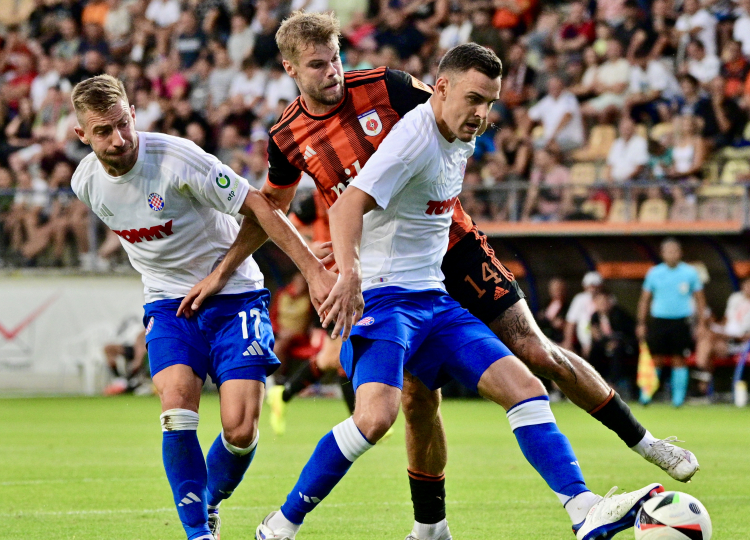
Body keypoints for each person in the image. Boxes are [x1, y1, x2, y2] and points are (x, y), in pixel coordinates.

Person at [178, 12, 699, 540]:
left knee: (535, 359)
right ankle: (420, 527)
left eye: (336, 57)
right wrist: (297, 267)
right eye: (318, 64)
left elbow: (449, 105)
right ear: (290, 68)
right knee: (406, 402)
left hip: (443, 251)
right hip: (382, 277)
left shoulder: (396, 91)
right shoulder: (298, 135)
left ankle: (620, 465)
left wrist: (348, 252)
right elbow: (279, 206)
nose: (332, 71)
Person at [68, 74, 336, 540]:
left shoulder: (178, 160)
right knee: (176, 407)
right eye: (103, 132)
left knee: (240, 430)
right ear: (81, 136)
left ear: (133, 115)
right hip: (170, 305)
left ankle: (208, 501)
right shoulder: (85, 183)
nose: (119, 139)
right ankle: (198, 534)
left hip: (235, 296)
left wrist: (312, 270)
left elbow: (261, 206)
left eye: (123, 124)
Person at [636, 238, 707, 407]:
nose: (672, 254)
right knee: (655, 359)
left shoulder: (690, 272)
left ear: (680, 253)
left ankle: (678, 399)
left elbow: (700, 299)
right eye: (668, 251)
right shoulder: (654, 273)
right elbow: (645, 299)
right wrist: (641, 323)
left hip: (681, 320)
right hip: (659, 320)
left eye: (675, 251)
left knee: (679, 359)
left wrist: (701, 323)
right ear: (662, 254)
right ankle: (647, 394)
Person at [694, 276, 750, 391]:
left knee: (708, 339)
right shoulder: (736, 298)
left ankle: (700, 381)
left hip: (741, 342)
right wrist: (716, 325)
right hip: (725, 339)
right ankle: (702, 385)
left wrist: (729, 335)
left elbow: (745, 336)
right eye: (746, 285)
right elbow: (727, 320)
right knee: (707, 338)